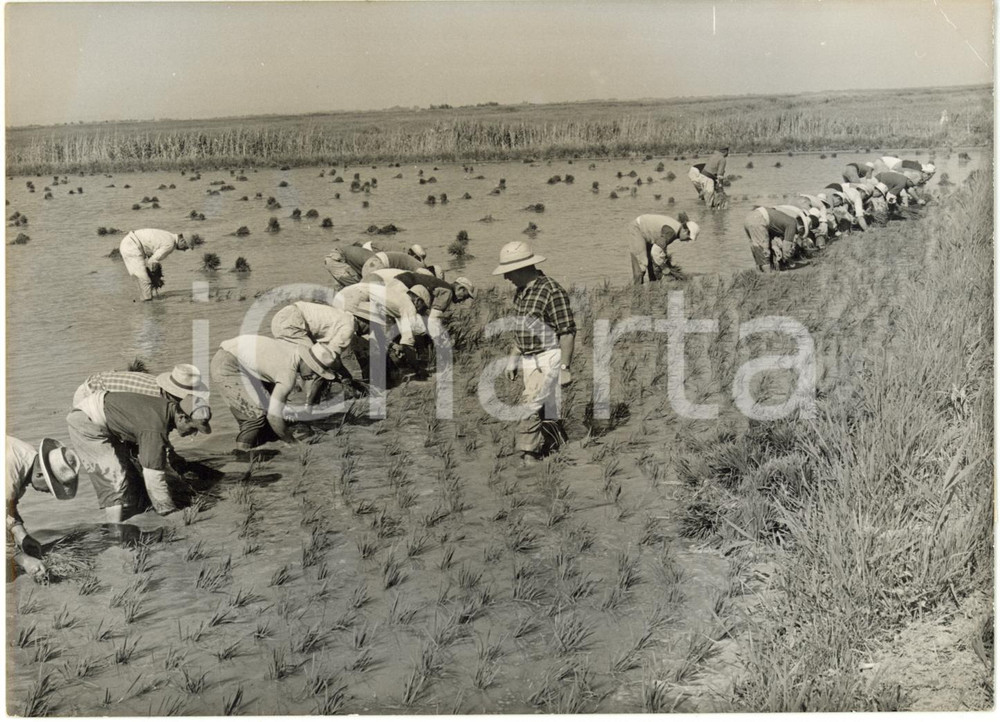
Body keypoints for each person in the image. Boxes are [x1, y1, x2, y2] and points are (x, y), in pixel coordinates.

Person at [492, 241, 576, 465]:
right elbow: (522, 329)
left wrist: (565, 368)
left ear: (522, 269)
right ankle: (556, 442)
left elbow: (567, 332)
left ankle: (529, 457)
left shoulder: (552, 291)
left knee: (528, 404)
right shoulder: (521, 293)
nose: (506, 278)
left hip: (548, 356)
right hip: (529, 357)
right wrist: (513, 358)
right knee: (545, 405)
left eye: (508, 273)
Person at [67, 391, 207, 522]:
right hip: (86, 421)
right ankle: (116, 532)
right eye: (193, 428)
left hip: (105, 418)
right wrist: (168, 511)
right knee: (114, 479)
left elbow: (159, 460)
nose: (194, 434)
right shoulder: (154, 427)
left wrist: (182, 488)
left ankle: (135, 513)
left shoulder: (167, 409)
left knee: (130, 473)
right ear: (182, 417)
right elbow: (153, 474)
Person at [210, 335, 340, 452]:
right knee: (255, 417)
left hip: (239, 358)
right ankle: (241, 456)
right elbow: (273, 416)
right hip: (228, 365)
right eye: (314, 371)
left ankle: (261, 447)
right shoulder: (287, 373)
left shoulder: (292, 351)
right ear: (306, 361)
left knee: (271, 413)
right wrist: (292, 442)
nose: (313, 376)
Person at [6, 436, 81, 581]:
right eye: (51, 487)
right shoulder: (10, 472)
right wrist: (23, 559)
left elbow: (7, 508)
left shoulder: (25, 457)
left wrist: (22, 535)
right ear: (40, 474)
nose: (49, 492)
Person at [269, 301, 369, 406]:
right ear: (364, 321)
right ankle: (310, 409)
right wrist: (346, 377)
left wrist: (341, 375)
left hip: (283, 317)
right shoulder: (348, 327)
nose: (369, 331)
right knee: (315, 368)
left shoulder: (343, 316)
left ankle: (283, 401)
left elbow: (328, 353)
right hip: (293, 323)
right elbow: (330, 358)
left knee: (295, 364)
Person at [364, 268, 475, 320]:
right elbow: (434, 318)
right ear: (461, 288)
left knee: (385, 313)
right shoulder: (448, 292)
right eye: (465, 296)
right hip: (405, 286)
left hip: (399, 280)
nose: (463, 300)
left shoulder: (442, 285)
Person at [626, 213, 700, 284]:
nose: (687, 241)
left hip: (647, 232)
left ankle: (653, 290)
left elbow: (660, 249)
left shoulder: (675, 229)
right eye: (688, 238)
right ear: (685, 231)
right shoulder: (671, 232)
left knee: (652, 265)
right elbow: (655, 252)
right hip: (638, 228)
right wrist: (665, 268)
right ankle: (636, 293)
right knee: (640, 267)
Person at [119, 229, 190, 301]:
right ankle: (149, 307)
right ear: (182, 241)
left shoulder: (168, 236)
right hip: (132, 246)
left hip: (129, 243)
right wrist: (156, 277)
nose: (184, 250)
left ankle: (145, 305)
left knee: (141, 280)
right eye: (186, 247)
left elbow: (151, 255)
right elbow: (152, 261)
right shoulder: (170, 244)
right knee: (145, 281)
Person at [743, 206, 806, 272]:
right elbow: (786, 249)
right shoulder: (792, 223)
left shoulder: (786, 219)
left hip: (750, 217)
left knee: (758, 250)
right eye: (799, 232)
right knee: (764, 252)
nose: (796, 234)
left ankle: (761, 274)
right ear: (801, 227)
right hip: (758, 219)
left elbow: (772, 239)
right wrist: (790, 260)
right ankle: (769, 276)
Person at [360, 250, 428, 277]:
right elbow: (426, 275)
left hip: (371, 262)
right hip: (379, 264)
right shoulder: (418, 265)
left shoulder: (406, 257)